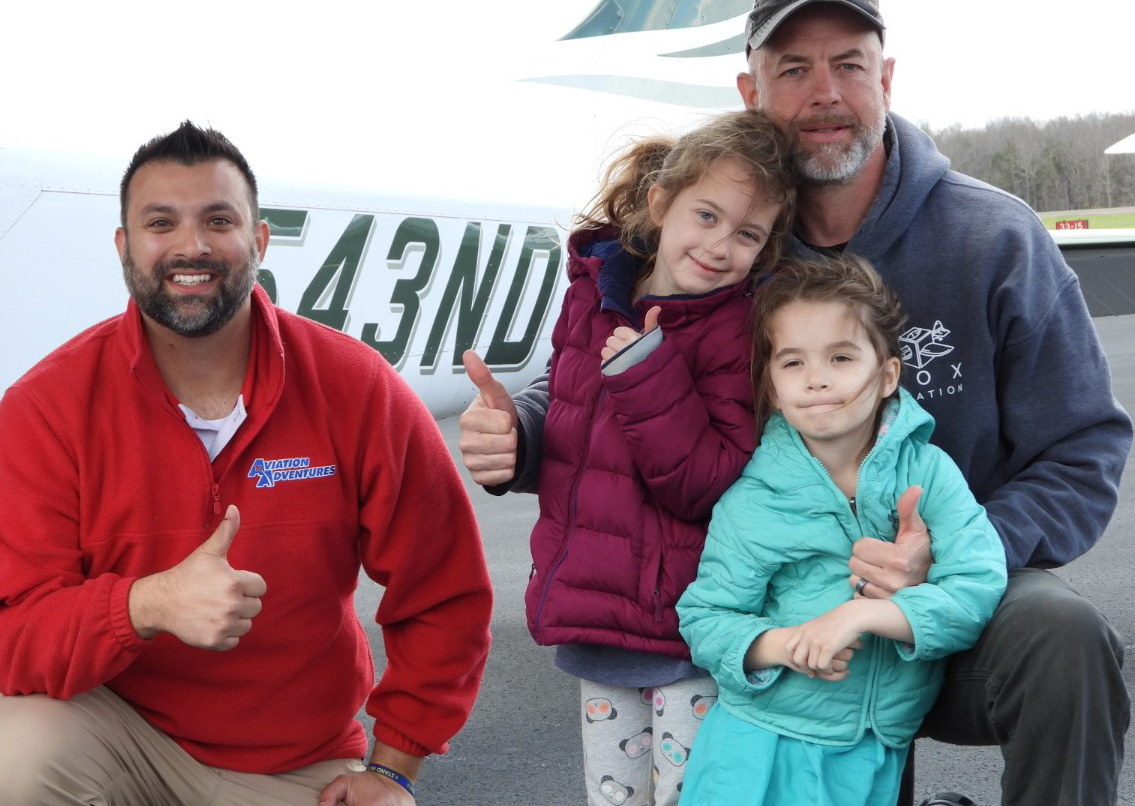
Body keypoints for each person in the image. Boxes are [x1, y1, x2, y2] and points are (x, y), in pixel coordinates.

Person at [463, 1, 1132, 802]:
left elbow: (1084, 449)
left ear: (885, 79)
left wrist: (952, 551)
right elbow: (601, 363)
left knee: (1064, 638)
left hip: (960, 586)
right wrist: (522, 435)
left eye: (848, 64)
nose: (825, 93)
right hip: (776, 612)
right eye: (792, 69)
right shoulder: (713, 238)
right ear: (750, 89)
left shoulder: (996, 240)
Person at [0, 121, 494, 806]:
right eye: (161, 223)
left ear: (259, 241)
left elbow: (444, 591)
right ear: (124, 247)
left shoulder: (355, 386)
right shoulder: (47, 407)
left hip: (294, 760)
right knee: (17, 761)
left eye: (219, 220)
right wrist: (145, 604)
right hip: (113, 735)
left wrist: (392, 768)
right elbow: (12, 635)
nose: (192, 246)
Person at [463, 109, 798, 806]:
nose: (719, 245)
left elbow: (705, 485)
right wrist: (517, 435)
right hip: (598, 621)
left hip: (687, 634)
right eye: (706, 215)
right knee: (614, 798)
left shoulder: (738, 330)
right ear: (660, 202)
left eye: (746, 234)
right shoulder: (591, 295)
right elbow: (571, 419)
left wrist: (649, 374)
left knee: (693, 797)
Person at [675, 252, 1009, 804]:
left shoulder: (930, 474)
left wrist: (864, 613)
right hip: (757, 748)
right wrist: (781, 645)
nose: (817, 381)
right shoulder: (755, 497)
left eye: (841, 357)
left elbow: (976, 587)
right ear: (771, 386)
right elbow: (706, 617)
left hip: (872, 750)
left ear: (887, 375)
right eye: (793, 363)